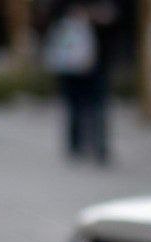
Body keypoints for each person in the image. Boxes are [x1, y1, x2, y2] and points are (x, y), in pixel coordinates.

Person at [44, 0, 118, 165]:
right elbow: (52, 12)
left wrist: (101, 16)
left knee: (97, 105)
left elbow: (119, 16)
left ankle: (98, 146)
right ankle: (76, 145)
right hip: (70, 63)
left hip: (98, 61)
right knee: (74, 105)